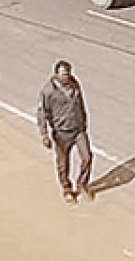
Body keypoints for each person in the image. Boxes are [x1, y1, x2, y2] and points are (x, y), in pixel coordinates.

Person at [36, 60, 93, 204]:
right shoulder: (48, 91)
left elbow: (81, 103)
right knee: (63, 163)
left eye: (68, 74)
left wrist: (84, 121)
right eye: (63, 74)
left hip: (78, 129)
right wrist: (44, 134)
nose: (66, 77)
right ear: (56, 74)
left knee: (87, 157)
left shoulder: (74, 84)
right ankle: (67, 188)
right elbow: (42, 113)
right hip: (61, 132)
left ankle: (82, 184)